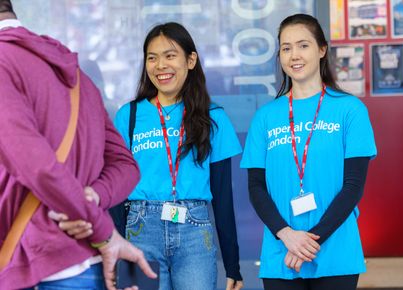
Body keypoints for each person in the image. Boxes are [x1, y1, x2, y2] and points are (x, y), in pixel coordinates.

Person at [0, 1, 156, 289]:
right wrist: (92, 198)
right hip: (88, 268)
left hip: (32, 266)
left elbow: (38, 167)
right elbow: (126, 166)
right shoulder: (75, 75)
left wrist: (102, 230)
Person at [240, 14, 377, 290]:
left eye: (303, 45)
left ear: (322, 49)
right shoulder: (265, 116)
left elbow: (353, 187)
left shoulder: (350, 110)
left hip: (336, 252)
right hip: (281, 252)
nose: (294, 55)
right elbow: (256, 187)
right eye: (286, 48)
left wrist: (307, 242)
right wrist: (287, 236)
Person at [113, 22, 244, 290]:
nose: (160, 65)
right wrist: (116, 252)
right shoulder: (129, 116)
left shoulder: (213, 117)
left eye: (170, 55)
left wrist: (233, 264)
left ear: (191, 60)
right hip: (140, 230)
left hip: (195, 232)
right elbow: (116, 191)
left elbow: (223, 196)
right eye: (152, 57)